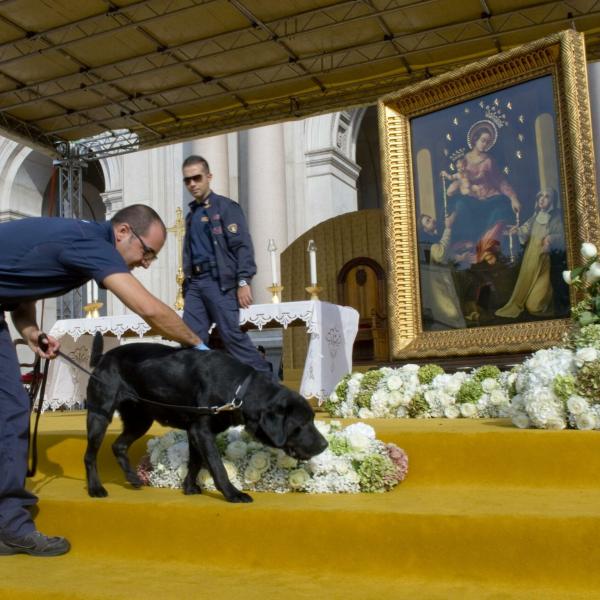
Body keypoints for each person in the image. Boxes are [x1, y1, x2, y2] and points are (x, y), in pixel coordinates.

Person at [0, 204, 206, 557]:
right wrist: (200, 347)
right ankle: (9, 526)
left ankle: (7, 524)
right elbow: (149, 309)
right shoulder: (91, 243)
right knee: (8, 413)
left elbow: (23, 290)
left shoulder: (78, 238)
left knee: (9, 410)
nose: (147, 263)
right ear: (123, 231)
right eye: (147, 252)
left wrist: (31, 331)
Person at [181, 155, 271, 375]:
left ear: (209, 177)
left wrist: (243, 281)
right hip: (195, 285)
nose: (192, 184)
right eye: (187, 180)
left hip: (219, 282)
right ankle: (199, 392)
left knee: (231, 336)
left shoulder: (226, 207)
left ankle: (268, 382)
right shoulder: (191, 215)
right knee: (189, 340)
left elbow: (242, 246)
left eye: (197, 178)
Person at [495, 188, 564, 319]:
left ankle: (549, 299)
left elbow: (561, 236)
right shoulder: (535, 216)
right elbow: (524, 231)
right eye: (540, 196)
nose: (542, 199)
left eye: (547, 197)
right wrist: (516, 230)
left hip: (544, 260)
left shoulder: (556, 218)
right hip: (530, 257)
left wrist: (550, 239)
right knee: (523, 288)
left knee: (534, 306)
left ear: (552, 201)